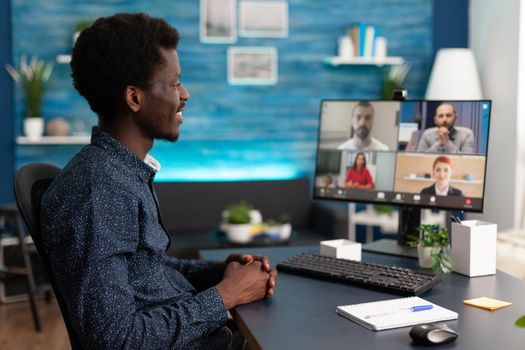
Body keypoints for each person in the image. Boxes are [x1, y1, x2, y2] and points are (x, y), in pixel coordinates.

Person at [41, 13, 277, 350]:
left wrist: (219, 271)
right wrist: (225, 295)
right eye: (173, 83)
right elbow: (115, 338)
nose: (185, 94)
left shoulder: (121, 172)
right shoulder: (99, 189)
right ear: (134, 98)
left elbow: (146, 270)